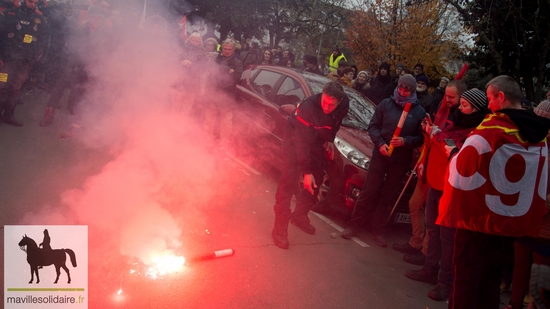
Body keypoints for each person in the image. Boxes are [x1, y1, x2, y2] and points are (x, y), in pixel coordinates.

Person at [437, 75, 550, 309]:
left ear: (501, 97)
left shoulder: (493, 128)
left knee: (466, 282)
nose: (488, 106)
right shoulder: (542, 138)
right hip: (510, 225)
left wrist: (452, 153)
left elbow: (464, 169)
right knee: (490, 282)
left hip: (479, 221)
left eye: (490, 99)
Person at [405, 88, 489, 302]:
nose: (460, 108)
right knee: (433, 231)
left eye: (464, 105)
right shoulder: (454, 123)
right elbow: (443, 141)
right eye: (460, 104)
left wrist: (439, 137)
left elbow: (458, 153)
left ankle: (445, 282)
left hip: (452, 191)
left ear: (476, 109)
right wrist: (432, 132)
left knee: (448, 239)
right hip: (437, 184)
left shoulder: (476, 132)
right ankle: (430, 269)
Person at [340, 74, 425, 247]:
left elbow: (420, 138)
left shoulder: (419, 112)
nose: (402, 92)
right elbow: (373, 126)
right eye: (401, 88)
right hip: (381, 154)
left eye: (406, 90)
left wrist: (405, 141)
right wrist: (380, 144)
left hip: (401, 159)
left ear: (412, 91)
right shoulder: (386, 104)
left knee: (388, 196)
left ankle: (377, 229)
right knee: (369, 190)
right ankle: (353, 225)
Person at [272, 81, 350, 249]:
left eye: (331, 105)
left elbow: (336, 122)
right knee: (288, 180)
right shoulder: (308, 107)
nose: (327, 108)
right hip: (294, 140)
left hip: (315, 141)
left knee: (317, 180)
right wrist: (306, 172)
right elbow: (302, 143)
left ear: (340, 101)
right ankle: (279, 226)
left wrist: (330, 139)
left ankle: (299, 216)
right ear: (321, 94)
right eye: (325, 103)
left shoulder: (344, 104)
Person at [504, 100, 550, 309]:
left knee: (539, 273)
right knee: (520, 264)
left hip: (545, 223)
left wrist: (543, 206)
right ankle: (513, 304)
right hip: (525, 213)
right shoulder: (532, 140)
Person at [0, 0, 49, 126]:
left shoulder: (40, 20)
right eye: (30, 1)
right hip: (6, 60)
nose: (33, 4)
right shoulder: (8, 14)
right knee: (2, 86)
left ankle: (8, 115)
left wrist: (35, 58)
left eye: (35, 2)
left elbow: (43, 42)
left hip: (25, 62)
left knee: (16, 88)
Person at [203, 38, 243, 148]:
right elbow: (210, 70)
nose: (226, 51)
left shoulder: (237, 63)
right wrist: (227, 71)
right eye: (225, 49)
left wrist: (220, 70)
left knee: (226, 123)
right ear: (221, 48)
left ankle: (223, 145)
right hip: (212, 94)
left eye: (229, 49)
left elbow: (236, 78)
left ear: (234, 49)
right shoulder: (215, 59)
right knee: (209, 120)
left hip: (227, 96)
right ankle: (208, 141)